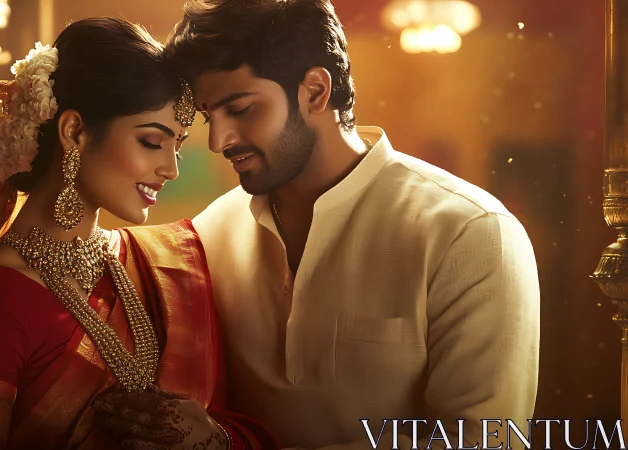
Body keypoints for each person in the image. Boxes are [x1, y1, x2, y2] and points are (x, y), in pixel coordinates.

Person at [159, 0, 541, 449]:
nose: (219, 140)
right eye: (210, 117)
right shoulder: (208, 236)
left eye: (240, 109)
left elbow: (486, 442)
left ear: (316, 91)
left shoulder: (469, 232)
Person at [0, 17, 278, 450]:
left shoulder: (164, 264)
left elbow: (249, 422)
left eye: (177, 146)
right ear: (74, 131)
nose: (171, 169)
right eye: (152, 142)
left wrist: (216, 439)